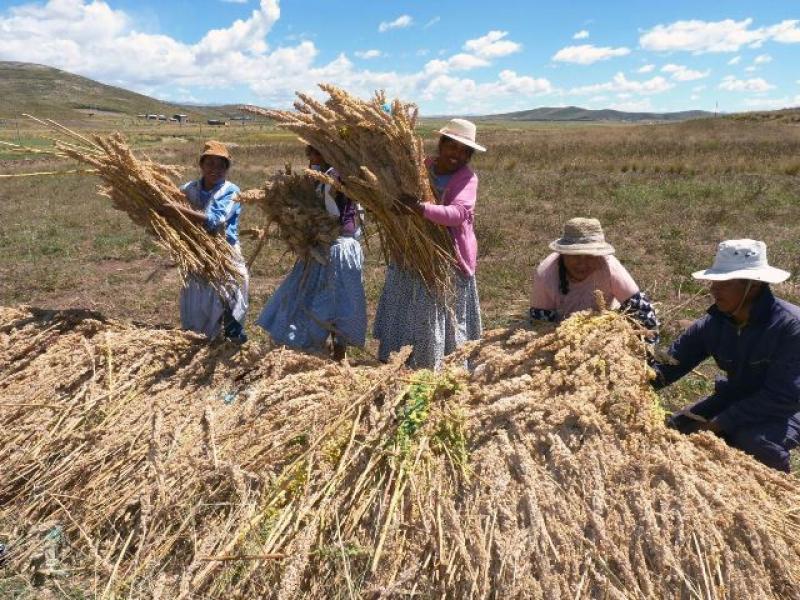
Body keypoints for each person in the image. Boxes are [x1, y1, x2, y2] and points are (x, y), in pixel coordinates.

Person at [652, 239, 800, 472]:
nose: (713, 289)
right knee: (674, 428)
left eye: (724, 283)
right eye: (714, 281)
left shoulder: (790, 327)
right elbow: (669, 365)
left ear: (753, 286)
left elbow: (782, 396)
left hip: (787, 407)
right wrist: (632, 382)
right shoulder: (713, 324)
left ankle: (779, 492)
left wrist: (721, 423)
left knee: (752, 440)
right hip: (736, 397)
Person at [373, 118, 484, 369]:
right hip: (411, 250)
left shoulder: (467, 178)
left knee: (430, 313)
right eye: (452, 146)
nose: (457, 154)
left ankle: (435, 364)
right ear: (441, 144)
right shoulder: (424, 166)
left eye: (465, 151)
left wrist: (419, 208)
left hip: (446, 257)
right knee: (404, 304)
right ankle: (397, 360)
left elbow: (458, 214)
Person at [257, 145, 366, 360]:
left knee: (335, 302)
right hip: (322, 248)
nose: (312, 158)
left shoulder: (336, 175)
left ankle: (336, 353)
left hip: (338, 249)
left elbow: (336, 212)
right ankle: (319, 350)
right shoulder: (321, 176)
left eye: (316, 153)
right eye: (310, 154)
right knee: (320, 298)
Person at [164, 140, 248, 342]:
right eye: (210, 163)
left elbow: (215, 221)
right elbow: (168, 207)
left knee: (230, 294)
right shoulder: (188, 188)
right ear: (201, 165)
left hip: (224, 251)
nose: (215, 169)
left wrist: (175, 209)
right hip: (197, 251)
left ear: (227, 169)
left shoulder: (231, 191)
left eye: (221, 165)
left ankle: (233, 338)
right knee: (198, 296)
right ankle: (199, 337)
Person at [529, 217, 658, 334]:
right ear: (563, 254)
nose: (582, 264)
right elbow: (541, 323)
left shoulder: (610, 267)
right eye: (575, 256)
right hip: (560, 331)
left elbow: (642, 311)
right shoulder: (546, 273)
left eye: (590, 256)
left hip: (605, 326)